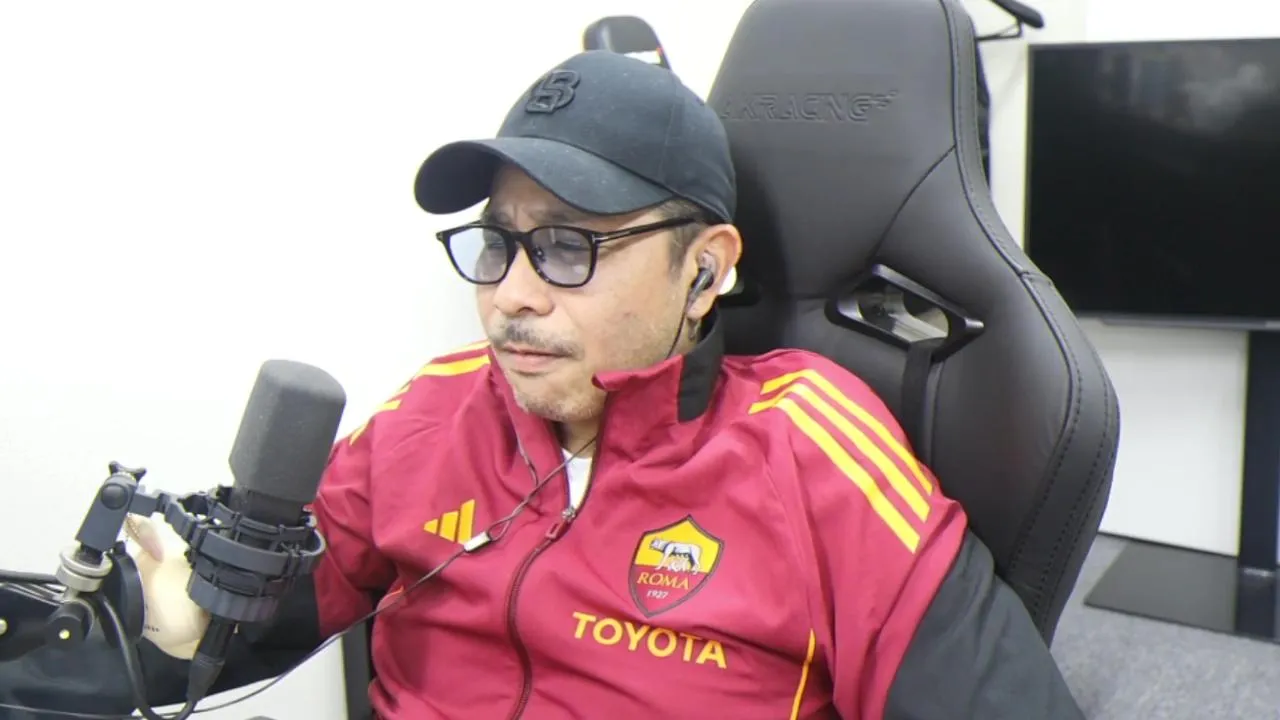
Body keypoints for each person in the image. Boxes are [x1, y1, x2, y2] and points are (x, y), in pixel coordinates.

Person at [0, 51, 1085, 720]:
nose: (510, 297)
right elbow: (273, 600)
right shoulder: (432, 413)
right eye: (499, 243)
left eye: (569, 247)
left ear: (703, 269)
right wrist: (180, 616)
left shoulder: (810, 447)